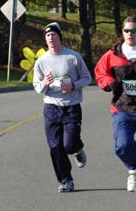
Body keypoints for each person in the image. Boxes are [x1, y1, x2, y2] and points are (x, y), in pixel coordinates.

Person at [33, 22, 92, 193]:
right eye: (47, 35)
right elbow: (37, 86)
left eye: (53, 35)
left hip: (71, 107)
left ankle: (77, 148)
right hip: (51, 108)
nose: (51, 38)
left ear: (60, 37)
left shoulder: (72, 57)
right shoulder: (41, 61)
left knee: (68, 144)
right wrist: (44, 83)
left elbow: (87, 78)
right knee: (55, 147)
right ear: (45, 39)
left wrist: (73, 85)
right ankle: (66, 180)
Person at [95, 16, 136, 192]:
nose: (130, 34)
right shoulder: (113, 54)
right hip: (122, 108)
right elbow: (100, 73)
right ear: (122, 32)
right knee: (122, 146)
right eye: (127, 30)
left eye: (134, 30)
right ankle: (133, 171)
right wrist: (110, 83)